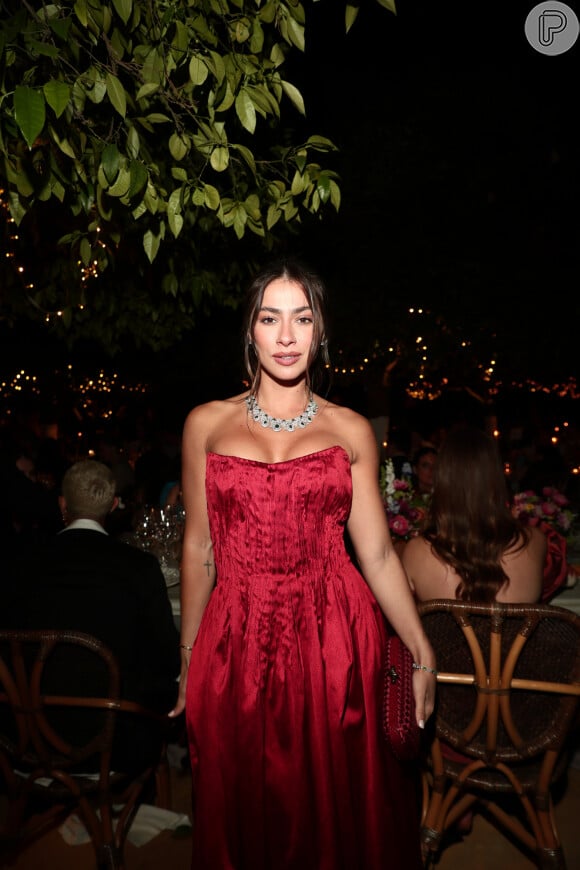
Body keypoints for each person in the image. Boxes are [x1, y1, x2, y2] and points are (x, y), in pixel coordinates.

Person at [168, 257, 436, 868]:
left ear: (320, 332)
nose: (286, 337)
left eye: (302, 319)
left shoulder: (350, 429)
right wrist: (188, 658)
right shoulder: (205, 424)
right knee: (241, 801)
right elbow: (199, 549)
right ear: (250, 331)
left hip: (334, 636)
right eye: (270, 318)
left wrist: (421, 651)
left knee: (336, 807)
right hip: (233, 639)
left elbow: (374, 553)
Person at [2, 459, 181, 773]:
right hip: (116, 742)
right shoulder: (140, 568)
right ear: (113, 505)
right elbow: (166, 662)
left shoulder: (18, 563)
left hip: (25, 737)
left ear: (62, 504)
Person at [401, 426, 547, 603]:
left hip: (444, 632)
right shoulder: (534, 541)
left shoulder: (415, 552)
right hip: (515, 632)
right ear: (495, 477)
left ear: (442, 480)